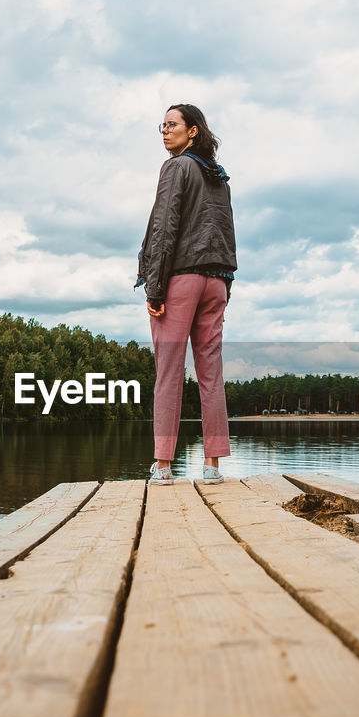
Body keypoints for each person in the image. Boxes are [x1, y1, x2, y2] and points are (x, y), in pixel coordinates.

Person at [136, 103, 237, 485]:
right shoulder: (218, 176)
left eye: (172, 124)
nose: (164, 131)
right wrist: (225, 283)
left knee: (169, 371)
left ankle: (162, 466)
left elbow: (164, 227)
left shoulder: (177, 167)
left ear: (192, 131)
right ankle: (212, 466)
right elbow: (226, 232)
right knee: (211, 372)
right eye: (161, 125)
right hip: (216, 279)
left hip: (181, 278)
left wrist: (155, 286)